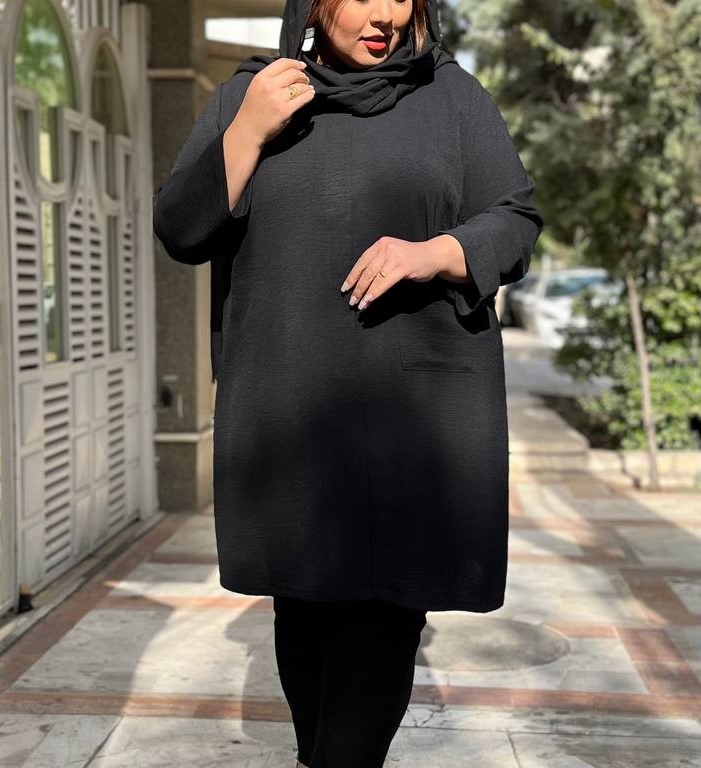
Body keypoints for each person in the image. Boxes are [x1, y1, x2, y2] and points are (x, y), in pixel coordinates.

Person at [153, 0, 543, 765]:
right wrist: (247, 131)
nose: (385, 15)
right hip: (290, 415)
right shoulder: (255, 93)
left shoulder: (450, 96)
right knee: (302, 615)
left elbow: (514, 219)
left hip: (414, 416)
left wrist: (434, 253)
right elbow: (182, 230)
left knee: (382, 617)